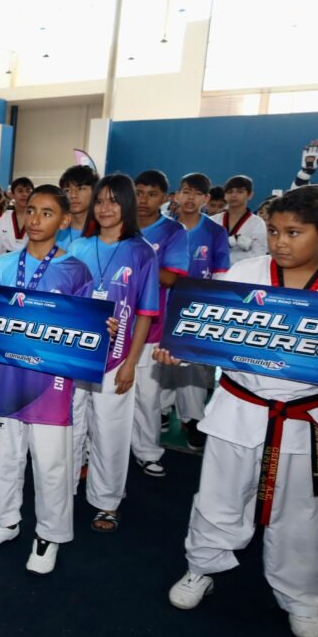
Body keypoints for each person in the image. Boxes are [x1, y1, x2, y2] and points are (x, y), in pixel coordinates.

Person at [156, 185, 318, 637]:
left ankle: (302, 595)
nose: (281, 242)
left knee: (303, 512)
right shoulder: (245, 273)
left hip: (306, 418)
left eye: (295, 232)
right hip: (239, 408)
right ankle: (201, 567)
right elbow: (203, 329)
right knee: (218, 495)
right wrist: (181, 352)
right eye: (273, 231)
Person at [0, 185, 99, 572]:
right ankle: (4, 520)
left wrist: (99, 328)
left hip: (52, 381)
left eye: (46, 213)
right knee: (4, 454)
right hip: (9, 375)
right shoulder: (5, 264)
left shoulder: (76, 270)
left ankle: (49, 534)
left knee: (51, 462)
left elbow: (85, 327)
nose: (35, 220)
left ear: (64, 220)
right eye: (31, 212)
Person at [68, 174, 158, 533]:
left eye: (114, 201)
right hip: (75, 356)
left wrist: (132, 363)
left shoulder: (141, 252)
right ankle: (64, 484)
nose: (105, 208)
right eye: (100, 201)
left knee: (111, 430)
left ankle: (107, 501)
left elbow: (146, 313)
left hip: (116, 359)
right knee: (69, 427)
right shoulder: (78, 247)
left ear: (127, 206)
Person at [160, 173, 230, 451]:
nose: (190, 198)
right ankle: (162, 409)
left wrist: (213, 308)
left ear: (206, 199)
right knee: (162, 360)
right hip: (164, 302)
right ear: (176, 196)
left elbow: (222, 272)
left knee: (194, 367)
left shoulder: (215, 232)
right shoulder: (165, 228)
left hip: (197, 307)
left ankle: (192, 419)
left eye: (197, 194)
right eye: (185, 192)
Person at [130, 170, 189, 478]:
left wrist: (134, 266)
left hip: (151, 326)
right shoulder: (118, 224)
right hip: (114, 323)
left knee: (146, 395)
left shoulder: (173, 231)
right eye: (138, 192)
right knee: (100, 395)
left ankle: (146, 450)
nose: (143, 199)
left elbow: (172, 277)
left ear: (164, 199)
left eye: (151, 194)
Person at [211, 175, 267, 265]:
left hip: (243, 274)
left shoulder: (258, 223)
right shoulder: (212, 221)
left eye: (240, 192)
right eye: (229, 192)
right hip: (214, 273)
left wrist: (222, 257)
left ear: (250, 195)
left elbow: (258, 255)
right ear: (225, 195)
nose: (233, 195)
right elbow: (205, 249)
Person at [56, 165, 98, 251]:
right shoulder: (55, 230)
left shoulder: (103, 231)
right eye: (67, 190)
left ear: (95, 192)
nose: (73, 195)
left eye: (81, 188)